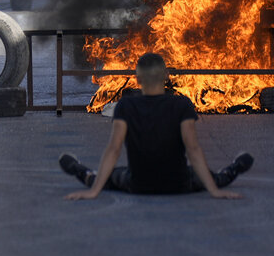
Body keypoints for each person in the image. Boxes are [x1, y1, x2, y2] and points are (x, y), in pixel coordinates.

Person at [58, 52, 253, 199]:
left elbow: (114, 149)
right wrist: (214, 191)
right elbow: (193, 149)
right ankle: (234, 168)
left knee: (109, 177)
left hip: (138, 184)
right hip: (178, 184)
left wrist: (93, 192)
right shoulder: (182, 104)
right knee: (211, 177)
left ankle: (77, 169)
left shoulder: (126, 105)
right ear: (167, 76)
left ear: (137, 79)